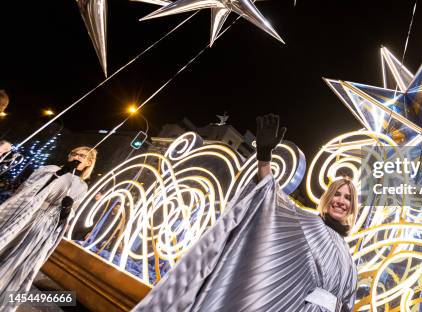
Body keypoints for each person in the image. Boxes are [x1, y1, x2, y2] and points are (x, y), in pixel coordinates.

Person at [134, 114, 358, 312]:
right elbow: (270, 198)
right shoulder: (306, 223)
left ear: (353, 206)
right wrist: (264, 156)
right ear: (327, 198)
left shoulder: (348, 256)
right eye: (337, 195)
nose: (341, 201)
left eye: (347, 197)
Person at [0, 146, 97, 306]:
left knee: (18, 259)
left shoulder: (81, 186)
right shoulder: (51, 169)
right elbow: (28, 189)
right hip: (27, 215)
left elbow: (68, 215)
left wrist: (66, 210)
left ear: (89, 162)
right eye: (74, 153)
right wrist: (58, 175)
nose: (77, 157)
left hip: (44, 226)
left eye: (82, 156)